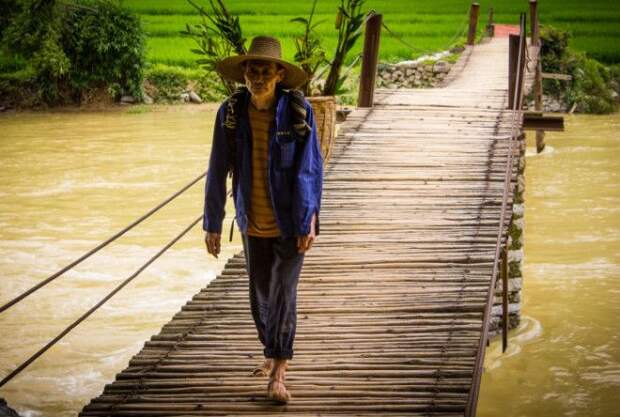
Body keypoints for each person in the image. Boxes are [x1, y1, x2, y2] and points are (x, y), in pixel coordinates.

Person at [202, 36, 323, 403]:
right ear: (244, 74)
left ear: (279, 73)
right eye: (251, 70)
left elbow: (310, 170)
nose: (257, 76)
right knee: (260, 296)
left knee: (283, 293)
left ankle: (279, 371)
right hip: (251, 220)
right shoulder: (230, 114)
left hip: (290, 221)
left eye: (265, 70)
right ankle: (270, 351)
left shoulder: (297, 113)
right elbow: (217, 167)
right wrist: (212, 221)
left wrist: (308, 220)